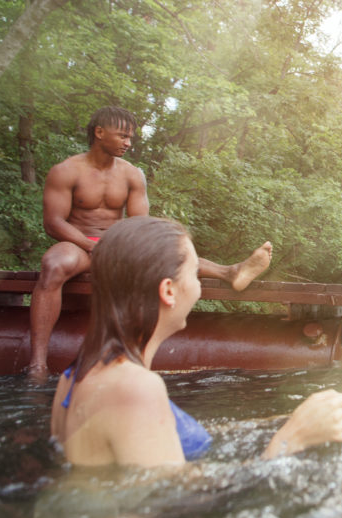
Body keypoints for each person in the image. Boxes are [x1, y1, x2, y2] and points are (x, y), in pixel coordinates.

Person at [50, 215, 342, 465]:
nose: (198, 288)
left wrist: (276, 423)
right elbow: (182, 500)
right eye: (195, 274)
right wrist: (294, 438)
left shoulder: (75, 375)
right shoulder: (135, 388)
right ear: (168, 290)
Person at [28, 106, 274, 379]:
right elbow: (53, 222)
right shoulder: (66, 171)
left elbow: (139, 226)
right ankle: (37, 364)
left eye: (131, 137)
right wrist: (90, 245)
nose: (128, 143)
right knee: (53, 264)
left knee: (165, 253)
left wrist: (119, 247)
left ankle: (231, 272)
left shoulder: (132, 174)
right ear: (99, 133)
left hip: (117, 243)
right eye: (122, 136)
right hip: (78, 243)